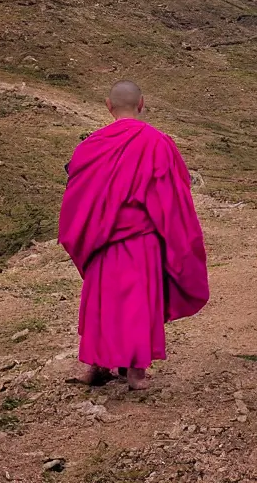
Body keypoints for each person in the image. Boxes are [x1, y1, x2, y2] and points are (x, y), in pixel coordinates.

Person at [59, 81, 209, 390]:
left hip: (102, 241)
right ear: (141, 104)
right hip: (142, 241)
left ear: (107, 105)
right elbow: (172, 198)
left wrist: (87, 235)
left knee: (102, 301)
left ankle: (95, 364)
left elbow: (76, 196)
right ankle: (135, 373)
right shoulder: (158, 143)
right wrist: (179, 241)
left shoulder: (90, 146)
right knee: (138, 303)